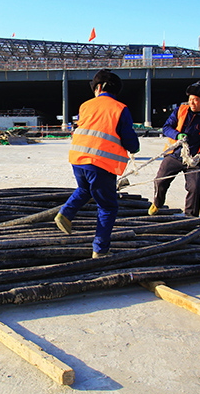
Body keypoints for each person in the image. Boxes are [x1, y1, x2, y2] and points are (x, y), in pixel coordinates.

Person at [54, 69, 140, 258]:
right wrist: (135, 147)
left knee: (84, 189)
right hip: (100, 164)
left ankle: (65, 214)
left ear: (99, 87)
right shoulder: (120, 109)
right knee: (108, 207)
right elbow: (130, 141)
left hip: (78, 160)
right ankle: (100, 250)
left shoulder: (85, 106)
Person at [148, 80, 200, 217]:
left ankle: (191, 217)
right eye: (190, 99)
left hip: (194, 160)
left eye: (195, 100)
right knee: (160, 180)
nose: (192, 102)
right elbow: (166, 127)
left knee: (195, 188)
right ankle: (158, 203)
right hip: (175, 155)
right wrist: (177, 135)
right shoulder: (180, 111)